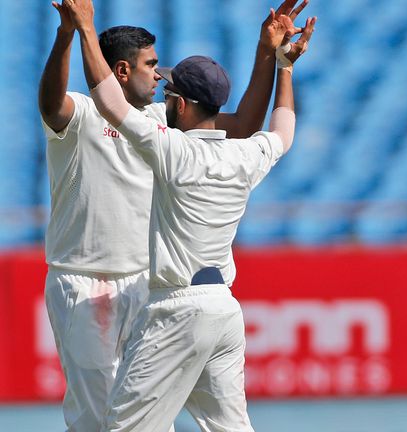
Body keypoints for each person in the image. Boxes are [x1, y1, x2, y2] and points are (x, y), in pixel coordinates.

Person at [38, 1, 307, 430]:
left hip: (149, 284)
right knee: (96, 420)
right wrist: (71, 32)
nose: (159, 76)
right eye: (152, 65)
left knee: (144, 421)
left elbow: (236, 124)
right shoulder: (82, 110)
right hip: (86, 280)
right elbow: (52, 104)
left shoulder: (160, 125)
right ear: (123, 71)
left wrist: (265, 53)